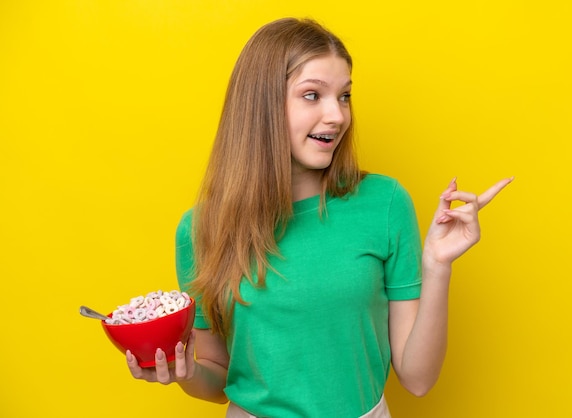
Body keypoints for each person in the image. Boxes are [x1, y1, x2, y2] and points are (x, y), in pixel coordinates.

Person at [125, 17, 512, 418]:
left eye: (344, 96)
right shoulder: (202, 229)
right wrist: (182, 373)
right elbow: (219, 378)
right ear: (261, 105)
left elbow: (418, 378)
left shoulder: (385, 203)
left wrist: (437, 266)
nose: (337, 116)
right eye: (313, 95)